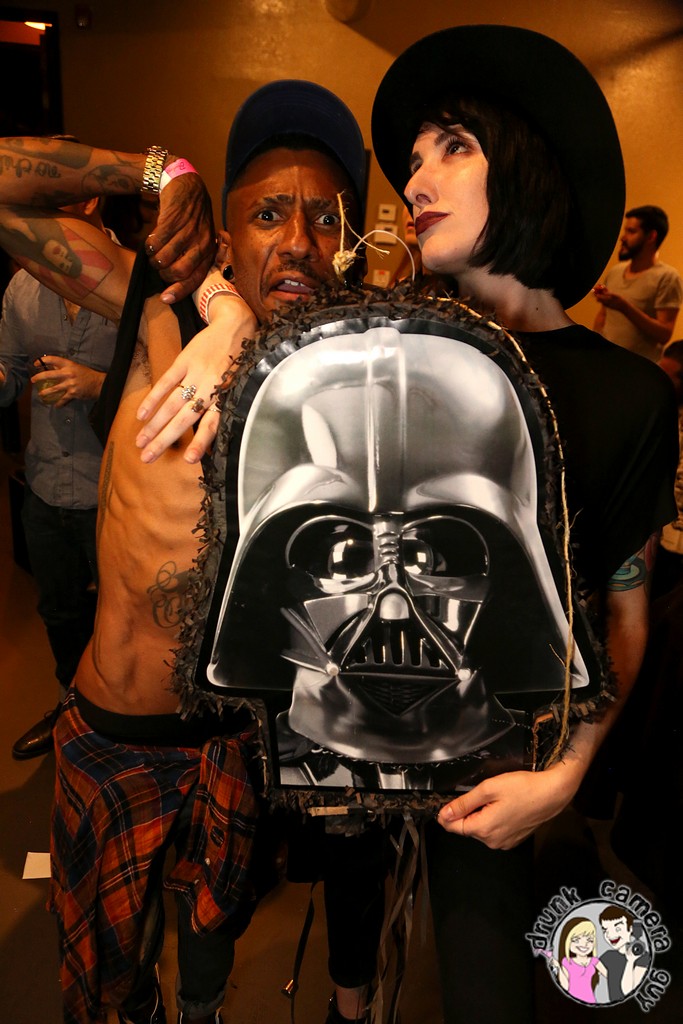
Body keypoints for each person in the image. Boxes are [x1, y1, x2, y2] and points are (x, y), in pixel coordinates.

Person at [126, 30, 677, 1023]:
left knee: (522, 991)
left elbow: (625, 614)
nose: (414, 179)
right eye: (413, 156)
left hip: (504, 782)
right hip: (337, 758)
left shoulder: (630, 397)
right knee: (346, 930)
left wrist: (564, 779)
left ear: (523, 165)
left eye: (450, 147)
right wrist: (225, 321)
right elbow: (252, 278)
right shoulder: (379, 344)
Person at [0, 81, 374, 1024]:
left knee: (211, 941)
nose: (299, 240)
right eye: (268, 214)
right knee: (108, 976)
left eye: (327, 219)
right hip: (119, 730)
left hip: (240, 743)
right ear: (223, 236)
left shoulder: (360, 376)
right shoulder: (150, 314)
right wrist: (159, 172)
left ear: (352, 246)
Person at [593, 205, 683, 361]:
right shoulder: (615, 271)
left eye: (631, 231)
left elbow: (664, 334)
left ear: (651, 237)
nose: (623, 237)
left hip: (639, 369)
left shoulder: (668, 277)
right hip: (606, 362)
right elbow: (603, 315)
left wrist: (624, 307)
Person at [598, 906, 650, 1001]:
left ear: (630, 929)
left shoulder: (643, 957)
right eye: (605, 930)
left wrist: (630, 961)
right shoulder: (608, 956)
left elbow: (628, 991)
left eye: (617, 929)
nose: (610, 935)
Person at [551, 917, 607, 1004]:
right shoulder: (567, 962)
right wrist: (558, 967)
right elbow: (565, 987)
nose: (584, 944)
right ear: (567, 941)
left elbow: (610, 976)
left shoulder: (594, 961)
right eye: (576, 940)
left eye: (590, 940)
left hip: (590, 1001)